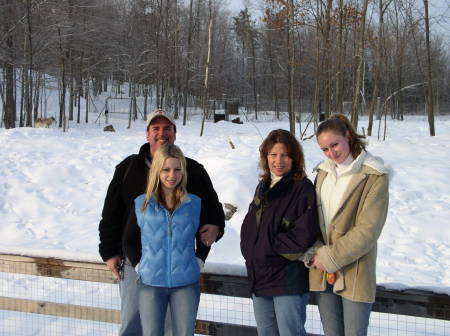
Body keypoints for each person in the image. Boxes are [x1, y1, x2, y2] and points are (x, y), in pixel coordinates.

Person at [98, 109, 225, 335]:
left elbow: (212, 211)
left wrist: (215, 228)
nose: (161, 133)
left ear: (175, 133)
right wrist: (109, 252)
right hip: (136, 262)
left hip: (179, 268)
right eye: (155, 128)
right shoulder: (128, 169)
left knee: (170, 328)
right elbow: (111, 214)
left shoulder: (193, 171)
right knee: (133, 323)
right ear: (147, 134)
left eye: (167, 128)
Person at [308, 114, 389, 336]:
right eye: (324, 149)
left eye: (335, 144)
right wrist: (314, 253)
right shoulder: (323, 173)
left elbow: (368, 231)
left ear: (348, 136)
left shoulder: (374, 175)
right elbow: (313, 219)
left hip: (355, 270)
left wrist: (330, 257)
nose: (331, 153)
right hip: (322, 271)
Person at [240, 129, 319, 336]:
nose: (278, 161)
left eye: (284, 155)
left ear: (294, 157)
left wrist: (269, 249)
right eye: (273, 155)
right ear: (265, 157)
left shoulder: (302, 188)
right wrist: (251, 250)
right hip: (260, 277)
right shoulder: (263, 186)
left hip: (287, 279)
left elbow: (305, 232)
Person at [123, 144, 207, 336]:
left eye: (177, 169)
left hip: (185, 284)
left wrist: (199, 261)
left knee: (184, 333)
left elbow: (204, 236)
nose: (172, 175)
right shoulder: (141, 203)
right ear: (157, 171)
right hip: (150, 284)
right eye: (166, 170)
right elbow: (128, 240)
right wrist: (138, 265)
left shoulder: (194, 203)